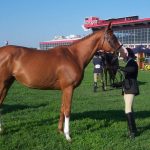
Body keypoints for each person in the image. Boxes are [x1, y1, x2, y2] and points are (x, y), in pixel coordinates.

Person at [119, 48, 139, 139]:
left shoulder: (132, 62)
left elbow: (131, 70)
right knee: (129, 108)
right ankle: (133, 130)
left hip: (131, 87)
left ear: (127, 54)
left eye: (122, 54)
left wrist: (119, 68)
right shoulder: (129, 62)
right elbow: (128, 75)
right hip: (127, 87)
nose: (121, 56)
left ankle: (132, 133)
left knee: (127, 109)